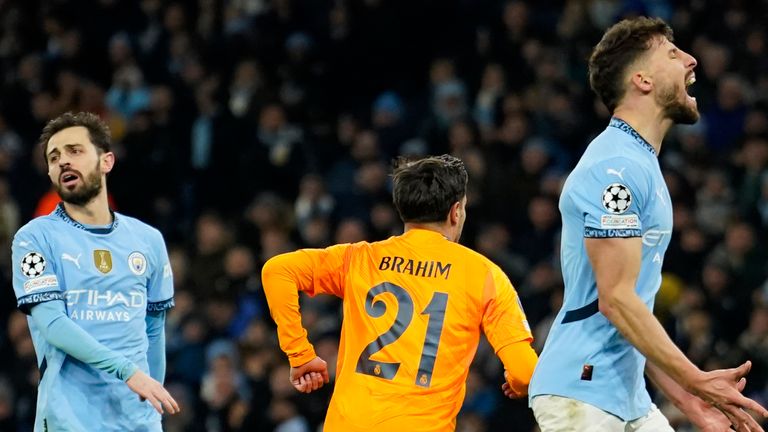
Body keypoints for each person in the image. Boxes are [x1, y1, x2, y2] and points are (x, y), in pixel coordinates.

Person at [528, 16, 768, 431]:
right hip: (583, 391)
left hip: (626, 396)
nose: (692, 60)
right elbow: (616, 300)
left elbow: (631, 314)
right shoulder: (615, 169)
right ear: (641, 79)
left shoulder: (639, 163)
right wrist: (695, 378)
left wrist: (687, 398)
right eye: (673, 54)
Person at [262, 154, 537, 431]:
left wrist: (301, 354)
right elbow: (525, 373)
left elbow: (277, 270)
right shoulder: (484, 274)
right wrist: (515, 384)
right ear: (456, 212)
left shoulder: (360, 259)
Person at [10, 112, 180, 431]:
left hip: (136, 421)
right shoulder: (34, 238)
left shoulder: (148, 240)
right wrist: (128, 372)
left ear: (106, 162)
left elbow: (154, 330)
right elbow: (53, 324)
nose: (63, 161)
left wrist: (151, 405)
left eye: (75, 151)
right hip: (69, 419)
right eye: (54, 156)